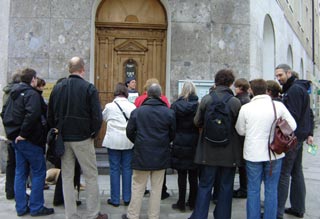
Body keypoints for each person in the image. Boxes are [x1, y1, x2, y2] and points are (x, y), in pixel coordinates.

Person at [47, 57, 107, 219]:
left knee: (66, 176)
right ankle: (93, 213)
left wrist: (58, 129)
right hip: (83, 138)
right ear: (82, 69)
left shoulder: (58, 88)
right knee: (90, 175)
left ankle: (70, 214)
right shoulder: (88, 88)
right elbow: (97, 116)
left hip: (64, 138)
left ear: (69, 69)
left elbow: (50, 115)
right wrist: (93, 133)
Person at [235, 79, 297, 219]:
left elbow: (240, 130)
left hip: (252, 154)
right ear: (266, 90)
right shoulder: (278, 107)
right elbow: (292, 126)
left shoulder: (246, 108)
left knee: (253, 190)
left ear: (251, 90)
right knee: (271, 190)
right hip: (273, 153)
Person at [189, 69, 242, 219]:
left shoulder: (206, 99)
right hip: (229, 150)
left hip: (208, 148)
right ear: (231, 83)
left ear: (216, 81)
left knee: (205, 184)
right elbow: (239, 126)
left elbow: (196, 121)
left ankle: (199, 216)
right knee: (226, 186)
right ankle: (222, 216)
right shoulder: (235, 102)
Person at [1, 68, 54, 216]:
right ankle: (36, 207)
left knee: (20, 173)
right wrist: (23, 134)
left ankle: (21, 207)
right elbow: (33, 114)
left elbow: (4, 113)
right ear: (33, 79)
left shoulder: (12, 93)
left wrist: (13, 133)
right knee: (38, 172)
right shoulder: (32, 94)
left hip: (16, 139)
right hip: (30, 140)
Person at [122, 83, 176, 219]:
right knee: (157, 189)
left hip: (141, 154)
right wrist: (163, 143)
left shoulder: (137, 112)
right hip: (161, 154)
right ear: (160, 95)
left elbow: (129, 132)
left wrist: (139, 142)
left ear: (147, 94)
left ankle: (133, 215)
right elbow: (172, 134)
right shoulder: (168, 112)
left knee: (138, 186)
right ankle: (153, 216)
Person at [275, 64, 314, 219]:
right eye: (276, 76)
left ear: (289, 73)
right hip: (299, 136)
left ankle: (277, 212)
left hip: (293, 138)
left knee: (284, 173)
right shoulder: (298, 89)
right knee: (296, 172)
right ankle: (298, 208)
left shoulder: (294, 90)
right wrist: (309, 133)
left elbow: (293, 117)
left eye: (280, 75)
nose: (278, 79)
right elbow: (308, 114)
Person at [134, 78, 171, 200]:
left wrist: (137, 139)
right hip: (160, 144)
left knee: (138, 183)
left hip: (142, 143)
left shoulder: (139, 100)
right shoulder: (164, 101)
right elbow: (171, 128)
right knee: (158, 183)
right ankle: (155, 211)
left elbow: (131, 127)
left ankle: (133, 213)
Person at [102, 83, 136, 207]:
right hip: (128, 140)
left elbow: (104, 118)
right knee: (127, 169)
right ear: (126, 93)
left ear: (115, 93)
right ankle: (127, 198)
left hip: (113, 140)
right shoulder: (132, 106)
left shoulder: (109, 106)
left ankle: (115, 199)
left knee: (114, 169)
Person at [170, 81, 199, 211]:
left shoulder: (175, 106)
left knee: (181, 175)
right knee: (193, 174)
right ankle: (193, 202)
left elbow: (171, 124)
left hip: (179, 141)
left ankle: (181, 203)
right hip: (194, 141)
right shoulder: (198, 106)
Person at [1, 71, 21, 200]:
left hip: (9, 131)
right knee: (19, 164)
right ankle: (16, 191)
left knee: (10, 162)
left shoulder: (6, 92)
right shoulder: (17, 92)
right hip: (17, 132)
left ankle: (9, 190)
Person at [233, 78, 251, 199]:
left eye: (236, 87)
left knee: (242, 165)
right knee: (243, 165)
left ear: (240, 87)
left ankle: (244, 189)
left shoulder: (239, 101)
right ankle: (244, 188)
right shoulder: (248, 99)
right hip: (246, 137)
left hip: (240, 137)